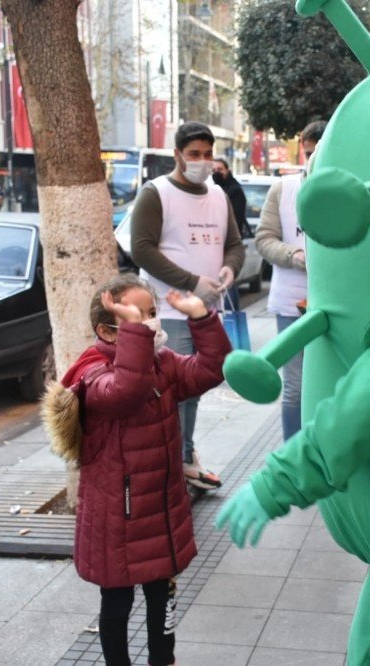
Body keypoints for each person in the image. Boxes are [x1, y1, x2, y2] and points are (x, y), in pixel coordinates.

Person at [54, 274, 230, 666]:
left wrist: (201, 318)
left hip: (161, 511)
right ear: (107, 329)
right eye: (137, 317)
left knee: (162, 601)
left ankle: (162, 661)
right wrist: (137, 335)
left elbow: (210, 371)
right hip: (117, 515)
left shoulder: (162, 363)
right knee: (117, 602)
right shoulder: (92, 373)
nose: (151, 322)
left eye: (151, 313)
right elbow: (126, 392)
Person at [131, 121, 245, 490]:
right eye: (194, 154)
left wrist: (229, 270)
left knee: (193, 388)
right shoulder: (156, 193)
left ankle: (183, 457)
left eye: (208, 154)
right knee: (172, 392)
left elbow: (235, 244)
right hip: (169, 310)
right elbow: (142, 249)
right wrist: (191, 282)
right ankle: (172, 465)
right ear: (178, 154)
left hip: (207, 311)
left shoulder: (218, 196)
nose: (202, 161)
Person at [254, 119, 326, 441]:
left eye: (319, 155)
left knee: (330, 383)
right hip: (291, 303)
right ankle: (292, 460)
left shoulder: (346, 190)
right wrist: (294, 256)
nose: (312, 163)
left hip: (336, 304)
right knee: (295, 388)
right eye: (308, 154)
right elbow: (264, 238)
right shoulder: (284, 189)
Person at [213, 158, 250, 311]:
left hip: (228, 245)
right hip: (216, 245)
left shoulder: (234, 191)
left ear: (227, 170)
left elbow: (234, 219)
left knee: (228, 283)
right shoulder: (214, 189)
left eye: (220, 169)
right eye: (214, 170)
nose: (216, 173)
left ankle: (231, 316)